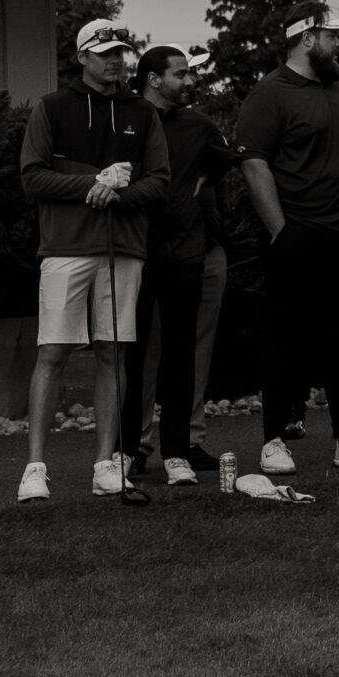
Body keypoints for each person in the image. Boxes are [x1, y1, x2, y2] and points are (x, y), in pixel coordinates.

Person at [19, 20, 171, 499]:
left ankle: (105, 463)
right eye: (104, 52)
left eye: (120, 52)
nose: (114, 60)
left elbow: (160, 180)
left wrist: (118, 194)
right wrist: (92, 183)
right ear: (82, 57)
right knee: (53, 353)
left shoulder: (142, 112)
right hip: (64, 247)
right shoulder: (51, 107)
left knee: (113, 350)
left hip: (122, 248)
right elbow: (32, 177)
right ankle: (35, 467)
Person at [235, 3, 339, 474]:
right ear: (306, 39)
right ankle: (275, 441)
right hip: (300, 236)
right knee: (285, 339)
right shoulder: (271, 93)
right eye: (331, 36)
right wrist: (282, 232)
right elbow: (254, 163)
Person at [117, 45, 236, 487]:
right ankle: (128, 450)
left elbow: (225, 162)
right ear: (152, 79)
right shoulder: (126, 117)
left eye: (189, 75)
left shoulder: (198, 124)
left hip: (185, 252)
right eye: (180, 75)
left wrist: (198, 194)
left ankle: (178, 452)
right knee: (133, 354)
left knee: (182, 354)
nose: (189, 82)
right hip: (135, 251)